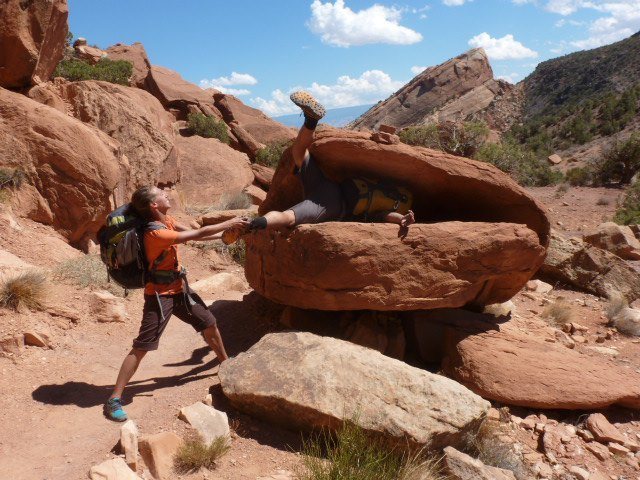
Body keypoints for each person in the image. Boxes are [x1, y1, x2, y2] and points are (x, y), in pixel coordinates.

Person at [104, 186, 249, 422]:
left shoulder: (167, 221)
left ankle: (227, 366)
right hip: (160, 297)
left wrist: (229, 234)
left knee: (209, 324)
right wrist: (228, 222)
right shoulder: (154, 234)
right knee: (143, 346)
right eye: (160, 194)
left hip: (180, 290)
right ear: (153, 205)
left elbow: (201, 234)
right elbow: (193, 236)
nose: (166, 194)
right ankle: (114, 399)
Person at [222, 91, 415, 244]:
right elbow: (386, 216)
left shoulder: (384, 192)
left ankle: (311, 120)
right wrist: (401, 220)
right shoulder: (383, 206)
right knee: (288, 217)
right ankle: (252, 225)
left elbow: (388, 214)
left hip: (328, 187)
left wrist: (401, 219)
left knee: (299, 153)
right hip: (331, 205)